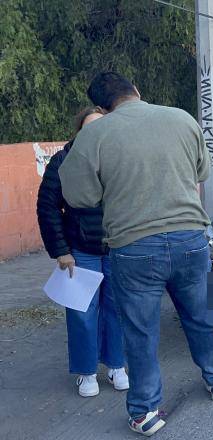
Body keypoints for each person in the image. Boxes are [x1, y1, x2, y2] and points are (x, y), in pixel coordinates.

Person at [58, 72, 213, 437]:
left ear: (103, 107)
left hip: (134, 247)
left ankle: (145, 411)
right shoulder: (182, 118)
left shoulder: (95, 134)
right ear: (136, 89)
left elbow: (78, 197)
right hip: (190, 238)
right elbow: (202, 170)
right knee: (202, 315)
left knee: (140, 331)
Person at [36, 107, 129, 398]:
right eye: (89, 127)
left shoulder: (121, 158)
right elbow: (47, 207)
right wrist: (60, 250)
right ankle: (86, 372)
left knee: (118, 310)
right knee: (81, 314)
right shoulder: (63, 161)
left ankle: (116, 365)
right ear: (79, 131)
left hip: (117, 247)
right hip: (80, 251)